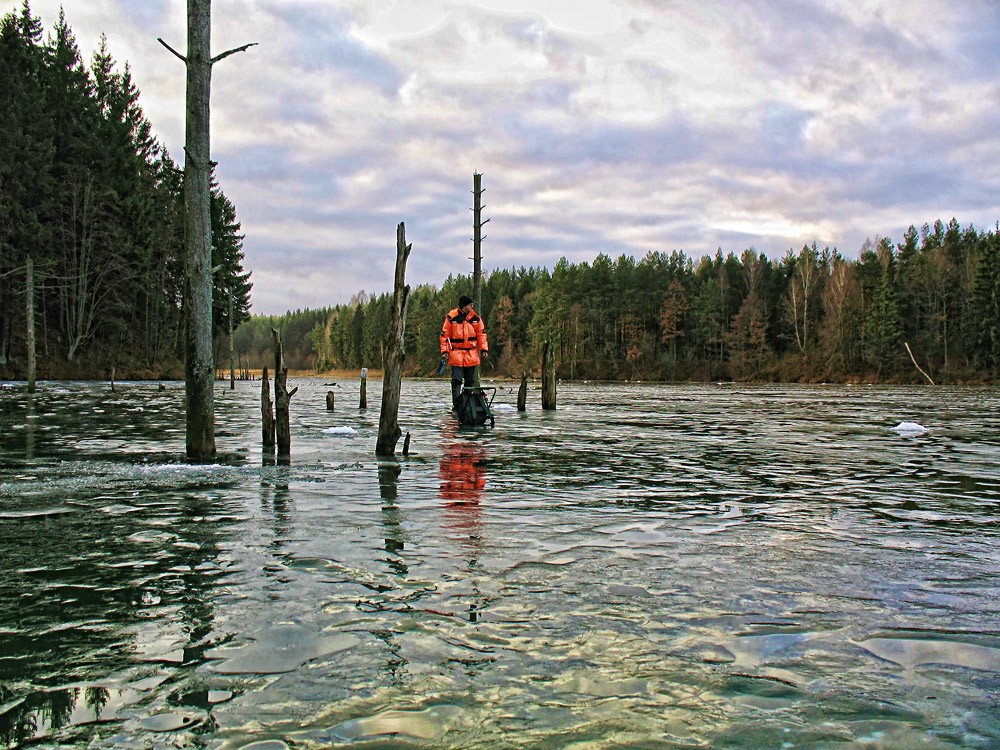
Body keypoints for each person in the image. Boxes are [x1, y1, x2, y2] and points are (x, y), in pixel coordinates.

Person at [440, 294, 489, 410]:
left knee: (470, 381)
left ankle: (466, 404)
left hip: (471, 354)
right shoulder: (451, 317)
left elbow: (481, 335)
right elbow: (445, 336)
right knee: (456, 380)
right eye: (470, 304)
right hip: (456, 354)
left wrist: (484, 349)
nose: (472, 306)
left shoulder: (476, 319)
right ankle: (457, 405)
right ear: (464, 306)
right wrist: (445, 351)